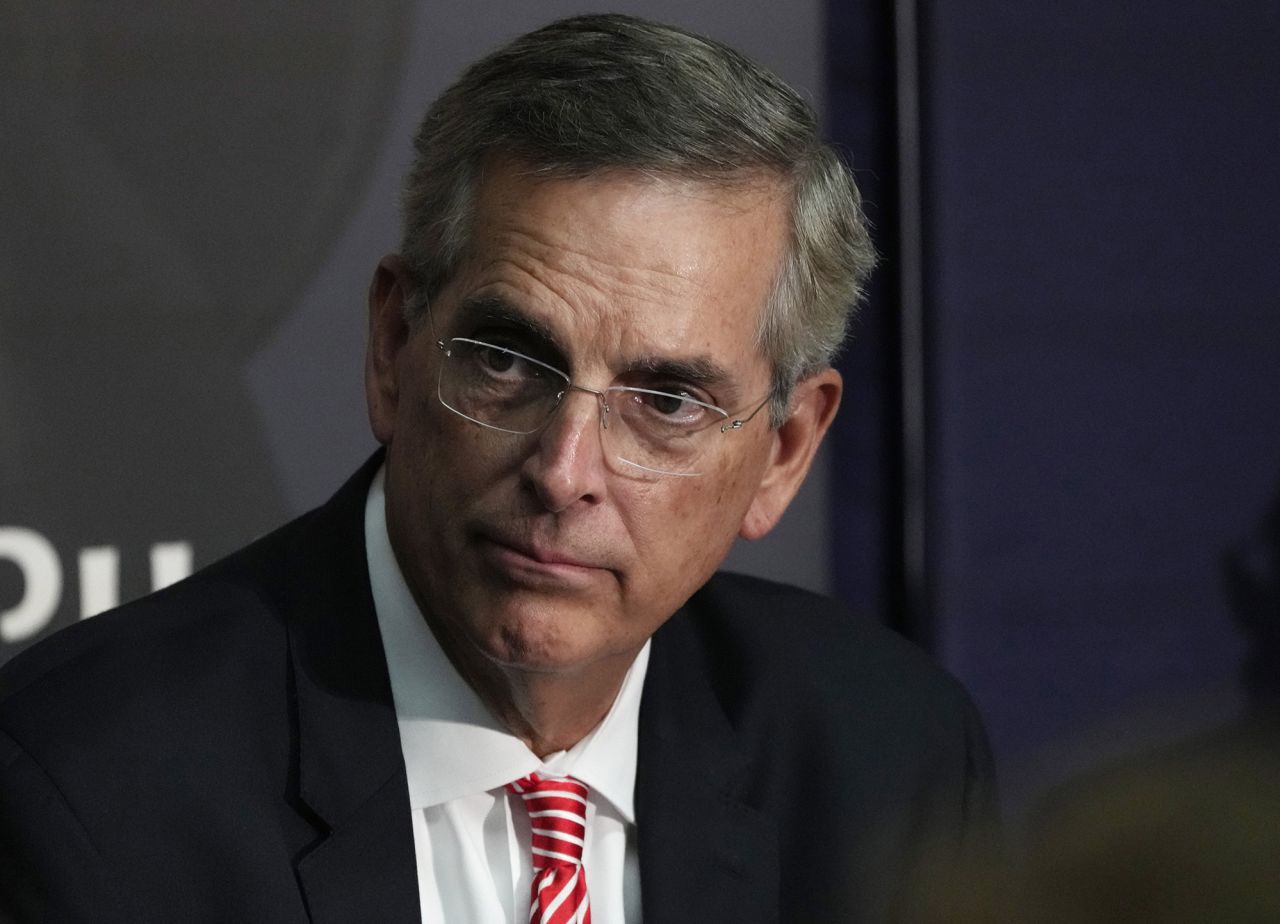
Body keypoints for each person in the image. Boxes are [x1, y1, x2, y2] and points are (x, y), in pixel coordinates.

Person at [0, 14, 995, 923]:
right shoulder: (84, 786)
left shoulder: (888, 759)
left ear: (782, 452)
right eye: (507, 361)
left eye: (664, 403)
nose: (564, 474)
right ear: (392, 347)